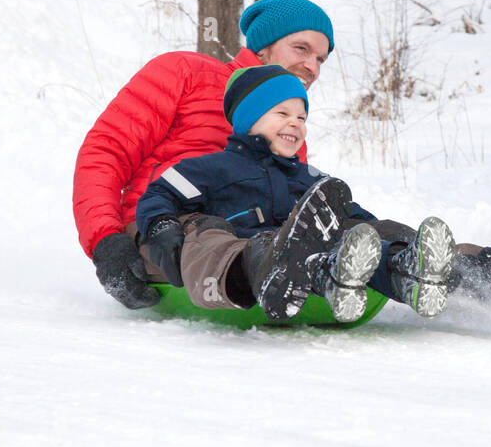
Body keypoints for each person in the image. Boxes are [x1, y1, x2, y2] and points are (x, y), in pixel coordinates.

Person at [73, 0, 491, 315]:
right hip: (170, 235)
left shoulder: (287, 125)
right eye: (300, 49)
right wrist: (106, 244)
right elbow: (105, 152)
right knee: (211, 232)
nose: (312, 66)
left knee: (371, 232)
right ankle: (271, 266)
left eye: (322, 57)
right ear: (262, 49)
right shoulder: (184, 73)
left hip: (261, 236)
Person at [135, 65, 457, 321]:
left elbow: (351, 213)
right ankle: (303, 274)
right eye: (283, 114)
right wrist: (161, 226)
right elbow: (159, 194)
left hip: (308, 256)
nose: (296, 124)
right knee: (206, 232)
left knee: (355, 229)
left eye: (302, 117)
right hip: (247, 258)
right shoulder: (209, 168)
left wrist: (378, 233)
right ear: (250, 118)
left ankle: (402, 270)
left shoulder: (310, 177)